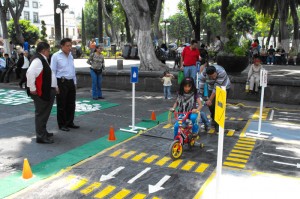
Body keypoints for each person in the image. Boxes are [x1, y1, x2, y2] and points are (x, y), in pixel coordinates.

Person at [26, 42, 57, 144]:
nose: (49, 52)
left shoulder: (42, 58)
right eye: (48, 50)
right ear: (44, 50)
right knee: (41, 114)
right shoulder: (38, 60)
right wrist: (32, 88)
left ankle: (43, 132)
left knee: (45, 113)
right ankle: (40, 136)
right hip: (41, 92)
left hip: (47, 90)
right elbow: (30, 72)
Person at [50, 38, 80, 132]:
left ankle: (70, 122)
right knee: (62, 104)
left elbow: (72, 69)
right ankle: (62, 124)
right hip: (61, 82)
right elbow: (53, 71)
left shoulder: (70, 55)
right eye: (67, 46)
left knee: (71, 103)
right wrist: (55, 85)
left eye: (70, 45)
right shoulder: (56, 56)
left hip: (70, 81)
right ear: (62, 46)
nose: (69, 47)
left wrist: (74, 82)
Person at [198, 65, 231, 132]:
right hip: (211, 87)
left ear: (216, 72)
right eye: (210, 77)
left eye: (214, 76)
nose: (213, 78)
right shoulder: (203, 74)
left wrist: (210, 100)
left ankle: (218, 125)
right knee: (211, 106)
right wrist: (199, 96)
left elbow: (216, 88)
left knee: (219, 106)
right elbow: (201, 84)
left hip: (223, 88)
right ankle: (214, 119)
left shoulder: (221, 72)